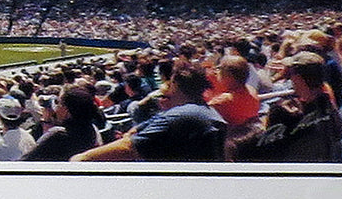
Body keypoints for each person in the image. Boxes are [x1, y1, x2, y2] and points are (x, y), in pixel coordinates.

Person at [73, 63, 227, 162]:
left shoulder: (181, 116)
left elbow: (128, 148)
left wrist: (83, 158)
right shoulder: (200, 110)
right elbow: (135, 131)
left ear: (175, 84)